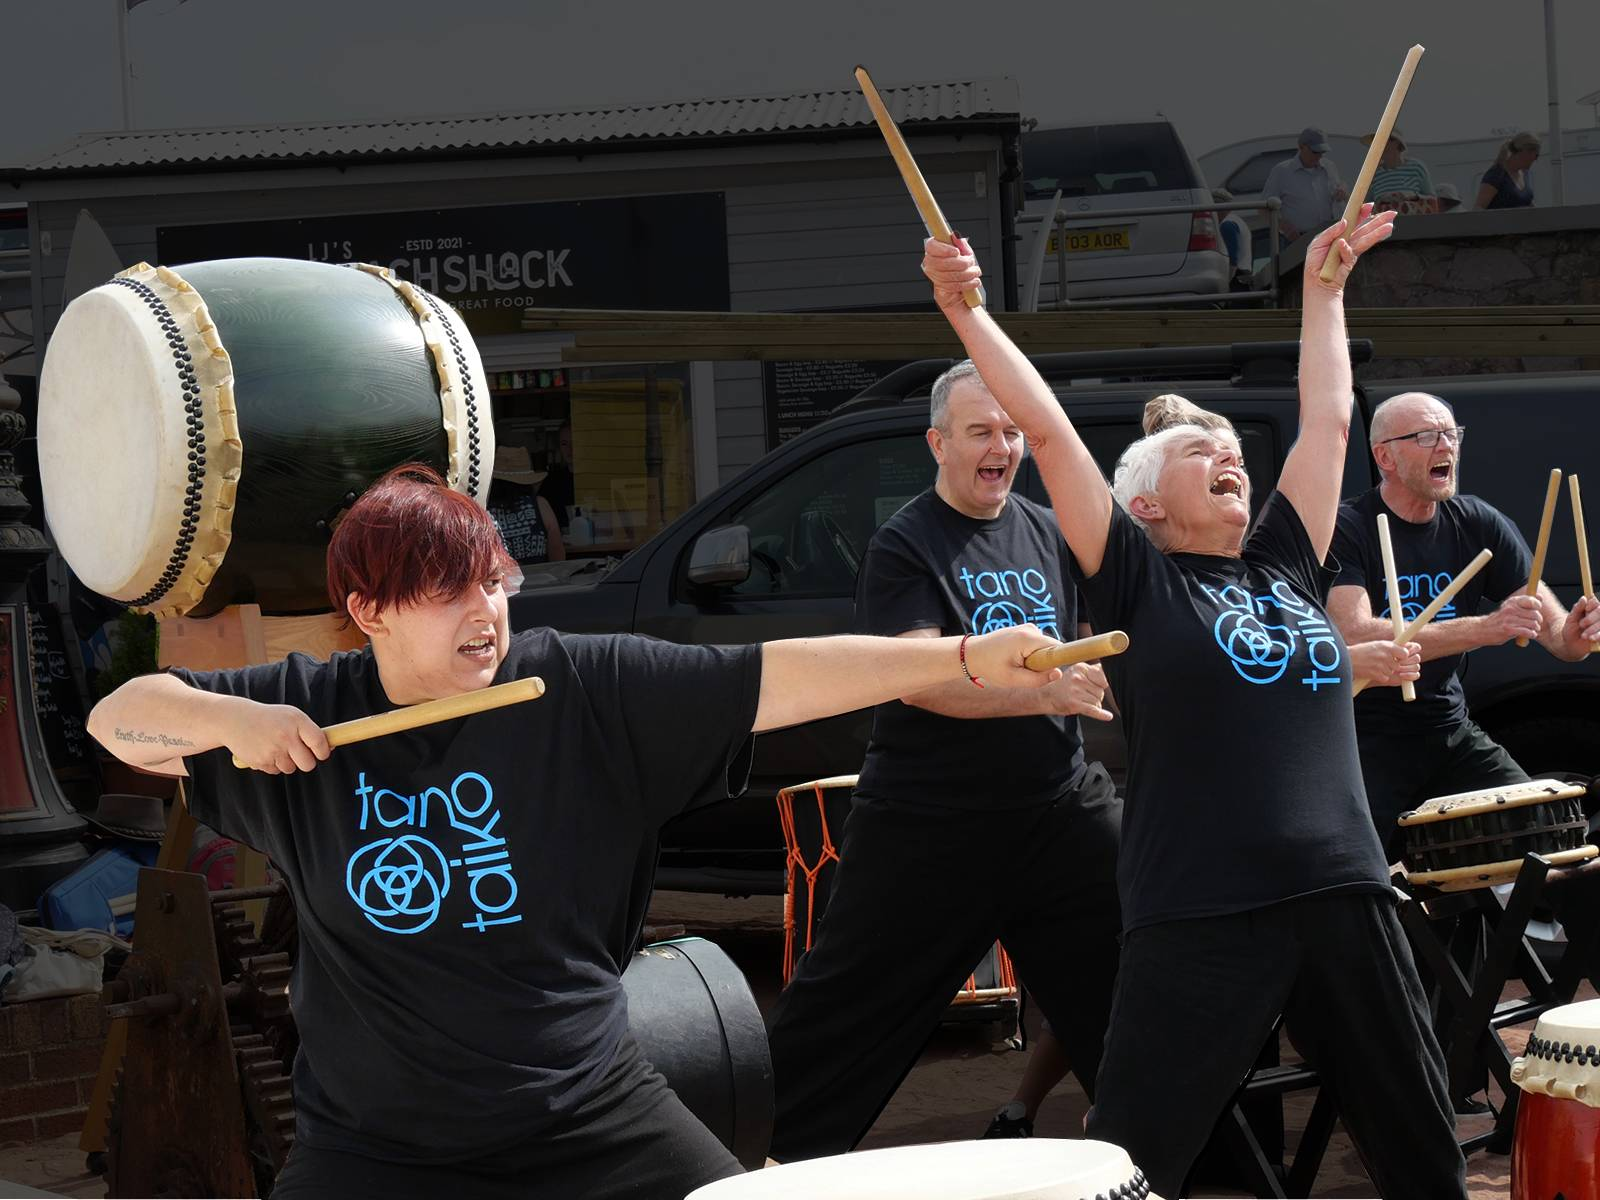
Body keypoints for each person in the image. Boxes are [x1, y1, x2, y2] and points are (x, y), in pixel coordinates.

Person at [86, 464, 1067, 1200]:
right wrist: (227, 719)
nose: (486, 612)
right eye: (449, 592)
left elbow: (777, 675)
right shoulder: (303, 713)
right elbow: (117, 720)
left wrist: (963, 656)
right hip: (375, 1147)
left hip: (586, 1111)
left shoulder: (579, 688)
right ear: (368, 610)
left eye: (494, 583)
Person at [920, 209, 1469, 1198]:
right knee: (1131, 1166)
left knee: (1426, 1159)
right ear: (1143, 505)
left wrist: (1324, 291)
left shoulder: (1282, 564)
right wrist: (966, 313)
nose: (1229, 457)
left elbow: (1330, 421)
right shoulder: (1138, 579)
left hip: (1345, 897)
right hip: (1202, 911)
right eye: (1197, 453)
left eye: (1233, 453)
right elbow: (1046, 429)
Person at [765, 358, 1124, 1160]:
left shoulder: (1044, 528)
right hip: (930, 822)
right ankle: (757, 1160)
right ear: (938, 444)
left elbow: (1082, 645)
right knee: (846, 1010)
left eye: (1011, 432)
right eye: (979, 432)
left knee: (1133, 971)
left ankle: (1175, 1151)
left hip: (1055, 807)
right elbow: (920, 682)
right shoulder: (904, 545)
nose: (1000, 447)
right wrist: (1044, 692)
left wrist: (1098, 669)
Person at [1326, 392, 1600, 859]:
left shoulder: (1477, 522)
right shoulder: (1348, 528)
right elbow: (1354, 634)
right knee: (1355, 866)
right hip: (1364, 737)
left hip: (1448, 728)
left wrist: (1577, 634)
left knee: (1544, 833)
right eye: (1426, 436)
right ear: (1385, 457)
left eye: (1451, 434)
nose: (1445, 446)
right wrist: (1487, 628)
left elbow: (1558, 638)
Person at [1261, 127, 1347, 243]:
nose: (1319, 156)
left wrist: (1343, 190)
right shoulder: (1281, 171)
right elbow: (1264, 208)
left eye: (1322, 152)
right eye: (1315, 152)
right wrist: (1284, 227)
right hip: (1298, 239)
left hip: (1329, 236)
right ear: (1301, 147)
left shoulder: (1330, 167)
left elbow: (1340, 189)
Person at [485, 444, 565, 565]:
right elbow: (557, 552)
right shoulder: (540, 505)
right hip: (542, 575)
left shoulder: (485, 511)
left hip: (504, 577)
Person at [1365, 128, 1436, 213]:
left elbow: (1433, 201)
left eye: (1383, 140)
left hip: (1414, 220)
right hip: (1384, 220)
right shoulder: (1372, 174)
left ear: (1397, 143)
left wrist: (1413, 196)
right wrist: (1381, 200)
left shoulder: (1416, 167)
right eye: (1375, 143)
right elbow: (1365, 207)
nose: (1378, 146)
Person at [1476, 132, 1541, 210]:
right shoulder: (1496, 174)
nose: (1535, 160)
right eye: (1536, 156)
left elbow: (1525, 201)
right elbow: (1478, 208)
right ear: (1526, 152)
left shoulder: (1525, 174)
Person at [1211, 189, 1254, 289]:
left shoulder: (1227, 225)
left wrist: (1226, 284)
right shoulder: (1237, 221)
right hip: (1244, 276)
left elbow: (1232, 260)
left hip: (1236, 278)